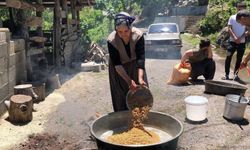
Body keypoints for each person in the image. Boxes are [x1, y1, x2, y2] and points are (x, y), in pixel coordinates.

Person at [107, 12, 148, 112]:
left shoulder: (138, 35)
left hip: (135, 65)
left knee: (140, 91)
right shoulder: (111, 40)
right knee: (120, 94)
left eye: (126, 31)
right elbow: (117, 64)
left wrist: (140, 78)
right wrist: (129, 81)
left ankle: (141, 117)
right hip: (118, 69)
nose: (123, 34)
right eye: (119, 32)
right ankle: (122, 119)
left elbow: (140, 59)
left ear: (130, 27)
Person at [223, 2, 247, 80]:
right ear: (236, 8)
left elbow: (248, 30)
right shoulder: (232, 17)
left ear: (245, 9)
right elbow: (229, 28)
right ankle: (226, 74)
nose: (240, 9)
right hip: (232, 41)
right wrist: (235, 37)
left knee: (239, 59)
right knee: (228, 57)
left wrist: (240, 38)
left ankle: (236, 75)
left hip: (242, 42)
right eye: (238, 7)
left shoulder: (247, 19)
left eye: (242, 8)